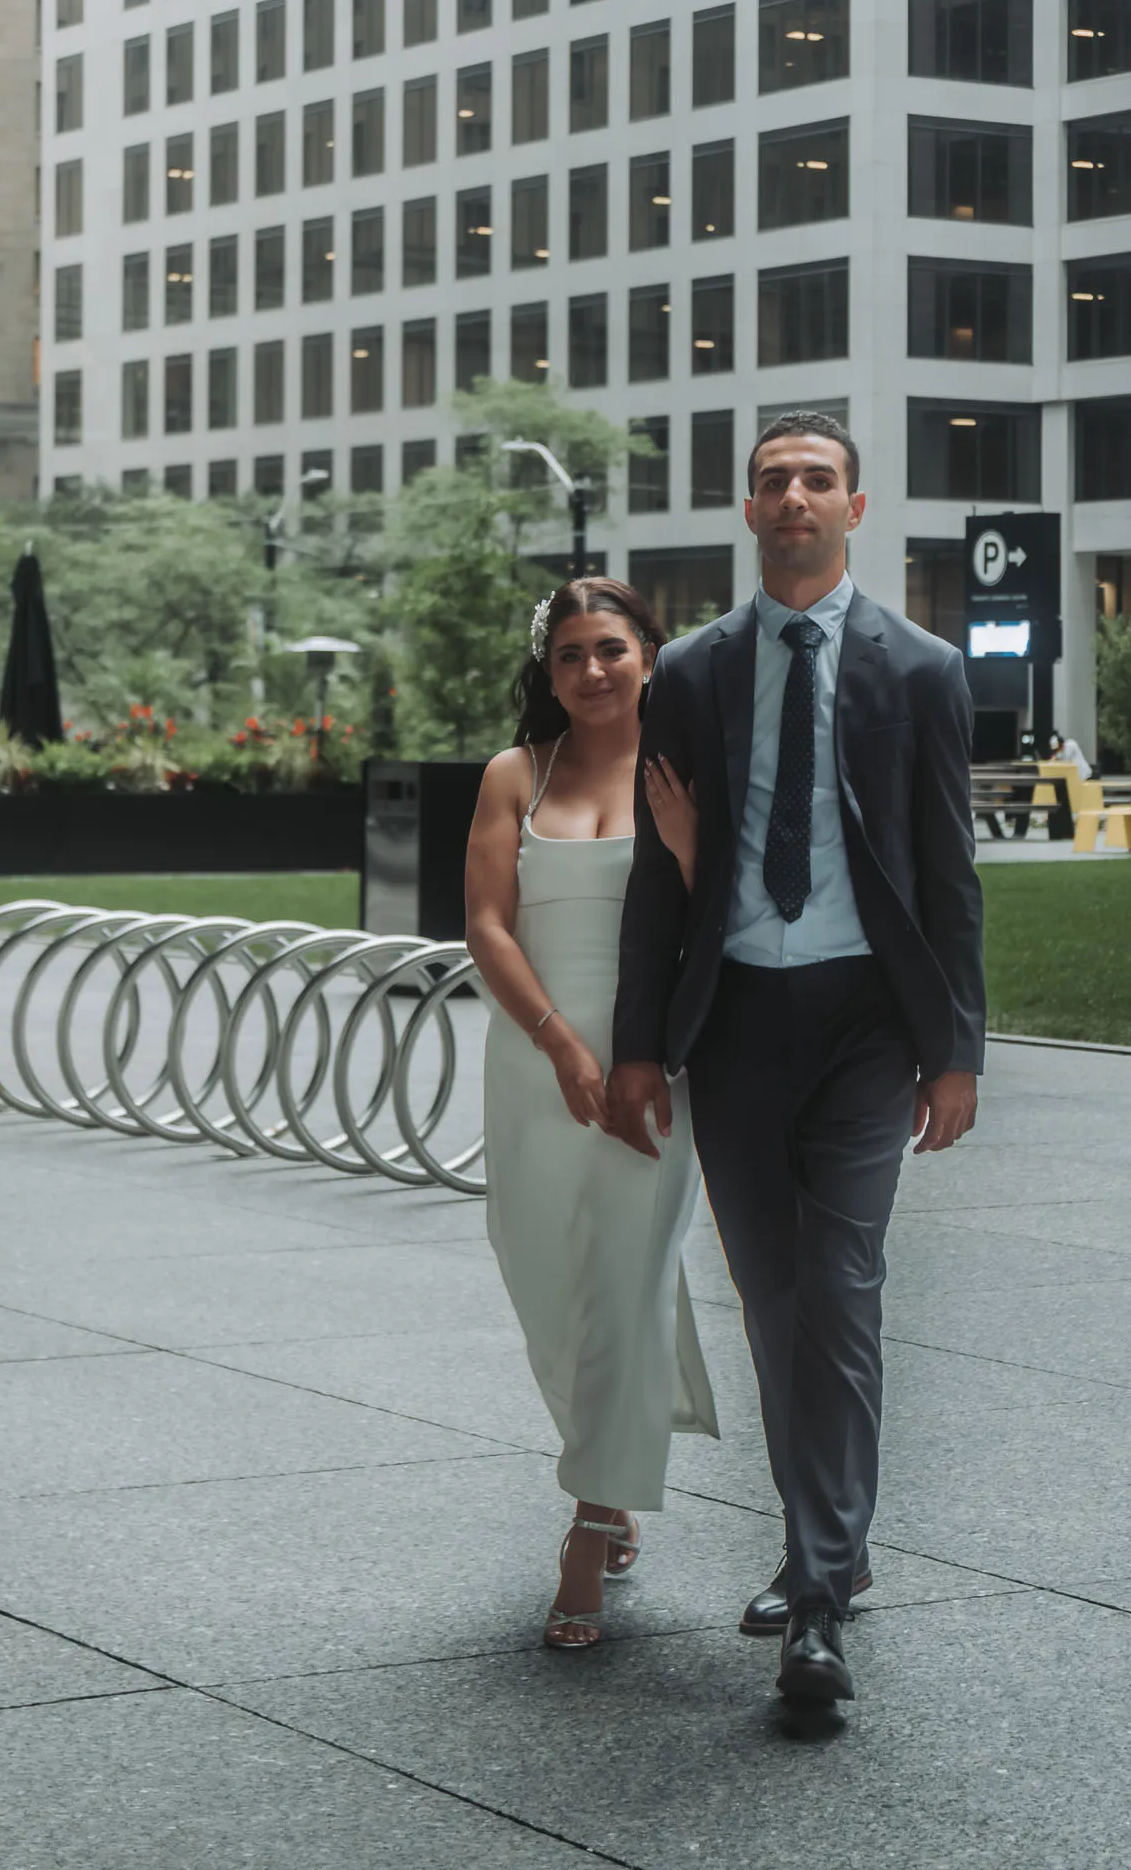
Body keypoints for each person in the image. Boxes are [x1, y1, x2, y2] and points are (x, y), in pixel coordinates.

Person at [608, 412, 985, 1707]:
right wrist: (641, 1047)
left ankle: (817, 1602)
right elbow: (660, 882)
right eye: (773, 482)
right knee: (776, 1304)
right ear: (750, 510)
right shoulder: (695, 675)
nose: (793, 498)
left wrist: (954, 1052)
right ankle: (831, 1541)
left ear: (855, 509)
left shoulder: (924, 669)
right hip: (739, 1026)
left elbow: (949, 876)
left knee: (840, 1285)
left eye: (816, 480)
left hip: (868, 1026)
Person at [465, 577, 717, 1652]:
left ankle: (589, 1516)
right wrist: (563, 1046)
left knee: (625, 1273)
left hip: (653, 1070)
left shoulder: (688, 770)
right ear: (549, 670)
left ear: (650, 654)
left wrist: (691, 841)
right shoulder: (516, 774)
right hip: (535, 1067)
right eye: (569, 655)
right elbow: (486, 925)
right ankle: (607, 1465)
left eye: (610, 648)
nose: (592, 671)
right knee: (548, 1289)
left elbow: (733, 922)